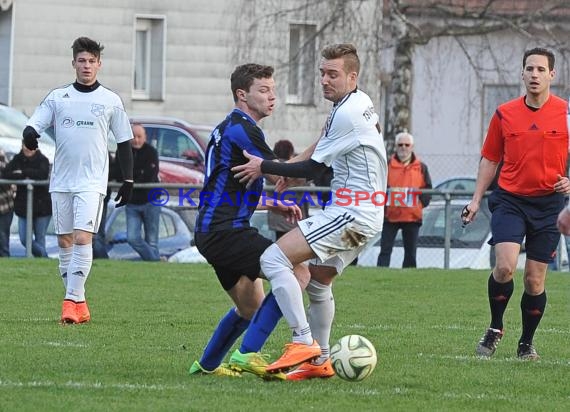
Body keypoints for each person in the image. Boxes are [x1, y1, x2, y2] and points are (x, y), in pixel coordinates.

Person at [232, 43, 387, 378]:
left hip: (352, 213)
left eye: (333, 74)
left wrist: (266, 166)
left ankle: (303, 342)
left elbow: (316, 170)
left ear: (352, 76)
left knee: (273, 259)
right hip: (369, 215)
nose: (324, 80)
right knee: (317, 282)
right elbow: (321, 143)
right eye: (322, 73)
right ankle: (321, 362)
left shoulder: (346, 112)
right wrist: (289, 167)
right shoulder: (357, 103)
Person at [188, 63, 309, 378]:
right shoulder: (244, 129)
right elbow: (281, 170)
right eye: (264, 90)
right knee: (297, 272)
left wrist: (272, 204)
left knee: (249, 307)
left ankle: (206, 365)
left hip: (214, 231)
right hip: (226, 233)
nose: (273, 97)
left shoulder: (229, 127)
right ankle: (247, 354)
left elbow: (227, 189)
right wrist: (322, 143)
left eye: (273, 90)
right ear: (242, 95)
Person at [462, 47, 569, 360]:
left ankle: (526, 343)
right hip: (510, 200)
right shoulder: (504, 113)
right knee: (505, 267)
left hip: (550, 205)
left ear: (552, 75)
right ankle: (496, 327)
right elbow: (490, 158)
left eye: (540, 69)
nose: (534, 75)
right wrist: (476, 199)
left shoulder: (565, 113)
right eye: (529, 69)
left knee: (535, 280)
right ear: (522, 74)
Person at [24, 36, 134, 324]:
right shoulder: (58, 97)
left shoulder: (110, 101)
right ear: (73, 63)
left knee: (83, 237)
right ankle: (80, 302)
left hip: (92, 183)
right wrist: (29, 133)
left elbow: (124, 142)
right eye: (81, 60)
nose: (86, 66)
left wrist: (128, 180)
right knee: (64, 242)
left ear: (99, 64)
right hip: (61, 180)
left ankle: (70, 302)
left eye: (91, 61)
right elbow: (35, 122)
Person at [377, 131, 432, 268]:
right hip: (390, 216)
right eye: (400, 144)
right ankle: (379, 274)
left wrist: (420, 204)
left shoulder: (421, 167)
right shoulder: (387, 165)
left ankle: (410, 279)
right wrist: (383, 207)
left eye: (407, 144)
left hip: (412, 217)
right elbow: (379, 186)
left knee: (410, 254)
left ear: (412, 147)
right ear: (396, 146)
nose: (403, 147)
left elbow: (428, 188)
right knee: (385, 251)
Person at [3, 141, 52, 257]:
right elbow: (7, 174)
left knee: (40, 238)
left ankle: (40, 264)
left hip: (42, 207)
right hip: (23, 207)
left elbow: (42, 175)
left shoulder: (43, 160)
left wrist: (23, 173)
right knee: (24, 238)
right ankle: (44, 257)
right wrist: (27, 175)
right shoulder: (17, 159)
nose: (27, 149)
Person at [124, 124, 161, 261]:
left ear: (145, 137)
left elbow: (149, 175)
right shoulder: (124, 151)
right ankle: (155, 262)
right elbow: (118, 173)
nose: (136, 140)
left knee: (152, 241)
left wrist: (131, 176)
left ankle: (153, 270)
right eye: (133, 136)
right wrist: (137, 173)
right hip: (132, 202)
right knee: (132, 238)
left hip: (151, 200)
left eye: (140, 136)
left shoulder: (151, 152)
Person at [267, 139, 309, 240]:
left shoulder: (270, 169)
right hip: (295, 217)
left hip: (276, 217)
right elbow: (307, 183)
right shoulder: (295, 170)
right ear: (290, 153)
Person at [0, 149, 14, 257]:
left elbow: (6, 176)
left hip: (4, 204)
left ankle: (5, 258)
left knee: (3, 235)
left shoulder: (1, 154)